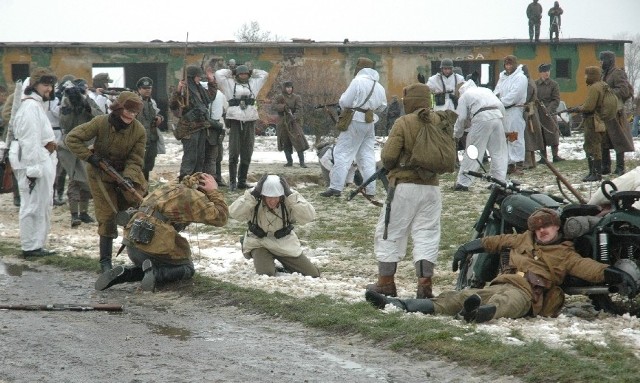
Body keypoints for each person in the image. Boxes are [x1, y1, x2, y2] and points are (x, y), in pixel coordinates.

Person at [366, 208, 637, 323]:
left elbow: (587, 267)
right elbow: (494, 241)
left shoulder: (565, 253)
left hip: (529, 293)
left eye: (547, 227)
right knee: (457, 298)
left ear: (558, 228)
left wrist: (612, 273)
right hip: (503, 281)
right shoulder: (522, 238)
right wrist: (468, 248)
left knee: (507, 303)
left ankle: (478, 315)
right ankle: (398, 305)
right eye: (538, 228)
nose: (542, 232)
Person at [366, 83, 453, 299]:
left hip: (404, 188)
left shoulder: (403, 122)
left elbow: (388, 157)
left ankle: (386, 283)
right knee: (427, 234)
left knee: (390, 232)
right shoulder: (440, 120)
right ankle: (425, 286)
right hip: (431, 190)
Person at [95, 172, 228, 292]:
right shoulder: (193, 196)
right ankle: (156, 274)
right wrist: (214, 192)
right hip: (152, 247)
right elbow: (221, 217)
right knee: (187, 268)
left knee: (152, 265)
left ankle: (125, 273)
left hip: (133, 245)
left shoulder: (171, 187)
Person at [65, 91, 147, 272]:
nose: (130, 115)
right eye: (127, 110)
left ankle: (144, 256)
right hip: (100, 175)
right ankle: (105, 263)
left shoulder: (139, 130)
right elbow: (72, 138)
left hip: (127, 175)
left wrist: (128, 177)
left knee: (138, 212)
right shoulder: (100, 122)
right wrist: (90, 158)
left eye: (134, 113)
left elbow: (136, 159)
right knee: (107, 215)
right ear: (118, 108)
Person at [8, 68, 58, 257]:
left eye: (51, 85)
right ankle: (30, 246)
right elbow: (29, 140)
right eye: (45, 85)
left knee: (41, 203)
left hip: (41, 159)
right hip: (33, 162)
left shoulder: (36, 106)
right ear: (34, 85)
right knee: (32, 205)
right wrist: (33, 168)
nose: (49, 89)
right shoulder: (30, 108)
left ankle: (36, 244)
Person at [229, 174, 320, 277]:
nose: (272, 201)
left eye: (276, 197)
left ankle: (285, 265)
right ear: (263, 195)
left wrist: (291, 196)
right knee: (266, 273)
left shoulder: (290, 198)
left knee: (312, 274)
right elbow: (234, 213)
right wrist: (253, 195)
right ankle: (255, 252)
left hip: (284, 243)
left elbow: (309, 216)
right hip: (259, 242)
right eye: (269, 197)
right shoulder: (253, 197)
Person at [320, 57, 387, 198]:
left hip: (355, 120)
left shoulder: (357, 81)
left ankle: (336, 187)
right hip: (369, 122)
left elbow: (345, 101)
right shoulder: (379, 86)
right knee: (367, 157)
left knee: (342, 153)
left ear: (359, 69)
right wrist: (369, 108)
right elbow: (382, 106)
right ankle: (370, 190)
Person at [215, 64, 269, 191]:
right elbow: (218, 74)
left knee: (247, 152)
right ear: (237, 75)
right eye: (241, 74)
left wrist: (251, 70)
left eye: (245, 74)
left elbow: (264, 74)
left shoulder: (253, 83)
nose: (243, 76)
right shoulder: (229, 84)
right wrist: (232, 71)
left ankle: (242, 181)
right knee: (234, 152)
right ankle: (232, 182)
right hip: (234, 120)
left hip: (250, 120)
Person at [58, 77, 102, 227]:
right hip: (70, 146)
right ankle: (74, 214)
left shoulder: (88, 101)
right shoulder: (66, 102)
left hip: (87, 144)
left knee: (87, 180)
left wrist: (87, 107)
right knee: (74, 180)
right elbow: (64, 124)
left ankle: (83, 212)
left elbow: (101, 116)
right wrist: (70, 110)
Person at [452, 80, 508, 191]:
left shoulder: (465, 96)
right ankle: (499, 181)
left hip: (481, 119)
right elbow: (501, 106)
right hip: (497, 117)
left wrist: (457, 133)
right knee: (498, 152)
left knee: (473, 151)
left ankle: (463, 182)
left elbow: (461, 117)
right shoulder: (486, 90)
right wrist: (505, 128)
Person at [170, 65, 219, 182]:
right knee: (190, 157)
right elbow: (173, 105)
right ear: (192, 77)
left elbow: (211, 96)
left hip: (201, 126)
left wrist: (211, 80)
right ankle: (184, 181)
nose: (199, 79)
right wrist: (178, 90)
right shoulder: (185, 89)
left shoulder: (199, 89)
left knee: (200, 157)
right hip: (189, 128)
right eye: (197, 76)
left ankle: (195, 181)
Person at [599, 51, 635, 176]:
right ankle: (605, 166)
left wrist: (608, 93)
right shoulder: (604, 74)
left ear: (609, 60)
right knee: (604, 140)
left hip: (616, 112)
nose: (601, 62)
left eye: (602, 60)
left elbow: (624, 90)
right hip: (605, 112)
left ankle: (620, 167)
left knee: (618, 140)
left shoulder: (617, 73)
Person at [572, 66, 609, 182]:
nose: (585, 77)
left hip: (593, 121)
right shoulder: (603, 85)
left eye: (587, 74)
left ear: (592, 75)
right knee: (596, 146)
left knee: (591, 146)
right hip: (601, 120)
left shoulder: (594, 87)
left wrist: (578, 108)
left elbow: (589, 107)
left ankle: (595, 173)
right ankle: (594, 172)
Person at [494, 55, 528, 175]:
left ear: (514, 65)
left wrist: (501, 102)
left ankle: (519, 163)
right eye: (506, 65)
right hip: (503, 111)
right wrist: (495, 100)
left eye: (510, 65)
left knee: (516, 136)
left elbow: (515, 95)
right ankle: (510, 164)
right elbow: (497, 90)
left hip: (514, 110)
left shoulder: (520, 78)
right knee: (506, 137)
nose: (508, 67)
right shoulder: (503, 77)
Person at [135, 77, 164, 181]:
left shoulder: (152, 102)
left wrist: (160, 118)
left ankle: (145, 188)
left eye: (149, 88)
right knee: (138, 166)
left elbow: (157, 114)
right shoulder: (134, 102)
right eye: (144, 88)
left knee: (148, 166)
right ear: (139, 89)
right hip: (139, 140)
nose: (147, 90)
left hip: (151, 139)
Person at [274, 81, 309, 168]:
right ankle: (289, 162)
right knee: (286, 142)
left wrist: (294, 117)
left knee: (298, 141)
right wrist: (283, 107)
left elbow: (300, 109)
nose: (289, 89)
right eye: (287, 87)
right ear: (284, 88)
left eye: (290, 87)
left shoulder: (297, 97)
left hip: (293, 122)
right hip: (283, 122)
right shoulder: (280, 97)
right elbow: (274, 106)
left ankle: (302, 162)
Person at [535, 63, 564, 163]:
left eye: (548, 71)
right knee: (541, 134)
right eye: (544, 71)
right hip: (538, 112)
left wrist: (549, 109)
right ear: (540, 73)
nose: (546, 73)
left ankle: (555, 155)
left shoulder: (554, 84)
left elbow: (556, 99)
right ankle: (543, 157)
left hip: (550, 113)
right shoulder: (535, 84)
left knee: (553, 133)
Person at [521, 64, 544, 170]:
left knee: (527, 137)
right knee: (529, 136)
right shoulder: (530, 81)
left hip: (528, 112)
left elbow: (524, 98)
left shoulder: (528, 83)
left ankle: (528, 161)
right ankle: (532, 162)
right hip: (530, 111)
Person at [206, 81, 228, 186]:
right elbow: (225, 109)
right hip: (215, 127)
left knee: (216, 156)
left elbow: (224, 110)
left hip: (217, 126)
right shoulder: (209, 94)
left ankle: (217, 179)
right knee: (214, 157)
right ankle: (214, 179)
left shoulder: (217, 94)